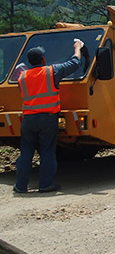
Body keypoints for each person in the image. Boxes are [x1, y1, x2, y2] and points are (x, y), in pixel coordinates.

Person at [13, 39, 84, 194]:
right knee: (47, 152)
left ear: (30, 62)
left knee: (26, 153)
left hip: (28, 120)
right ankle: (45, 185)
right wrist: (78, 47)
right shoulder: (51, 71)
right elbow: (75, 63)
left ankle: (20, 186)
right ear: (43, 59)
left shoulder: (22, 77)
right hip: (47, 119)